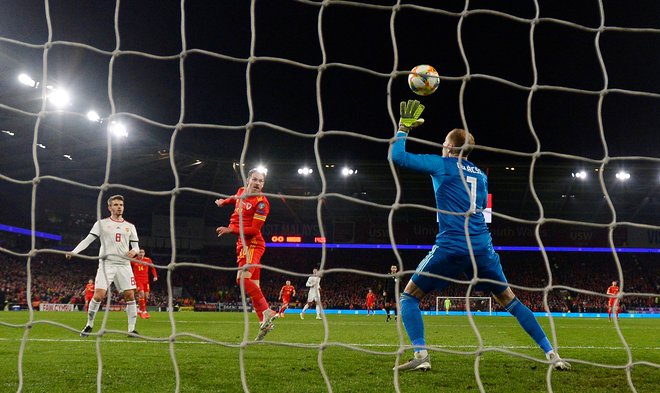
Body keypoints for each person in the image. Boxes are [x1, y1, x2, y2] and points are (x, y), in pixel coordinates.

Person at [388, 100, 570, 371]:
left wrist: (403, 128)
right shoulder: (481, 176)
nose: (442, 146)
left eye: (444, 142)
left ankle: (422, 355)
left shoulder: (442, 164)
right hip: (482, 248)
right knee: (510, 300)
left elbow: (398, 157)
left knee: (409, 297)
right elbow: (482, 204)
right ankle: (552, 354)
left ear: (450, 147)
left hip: (451, 246)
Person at [215, 167, 276, 341]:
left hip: (252, 244)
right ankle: (264, 324)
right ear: (247, 180)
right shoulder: (241, 191)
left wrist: (230, 229)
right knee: (252, 286)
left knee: (241, 279)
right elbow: (235, 198)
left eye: (261, 181)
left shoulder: (262, 203)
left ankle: (267, 311)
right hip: (242, 244)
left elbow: (253, 230)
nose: (258, 183)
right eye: (255, 180)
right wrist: (223, 202)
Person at [66, 194, 140, 337]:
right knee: (99, 295)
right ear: (109, 207)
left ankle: (131, 329)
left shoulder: (130, 226)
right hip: (107, 264)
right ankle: (89, 325)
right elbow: (88, 240)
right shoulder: (101, 224)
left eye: (121, 205)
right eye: (116, 205)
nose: (119, 207)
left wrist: (133, 251)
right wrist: (74, 251)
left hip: (124, 265)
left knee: (130, 295)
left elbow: (136, 247)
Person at [131, 249, 158, 319]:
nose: (141, 254)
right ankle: (144, 311)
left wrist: (155, 276)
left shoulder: (148, 260)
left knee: (146, 296)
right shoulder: (133, 260)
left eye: (142, 252)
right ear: (137, 253)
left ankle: (140, 310)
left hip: (146, 280)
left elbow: (153, 268)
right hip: (138, 280)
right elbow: (127, 267)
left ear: (144, 253)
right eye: (140, 252)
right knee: (141, 294)